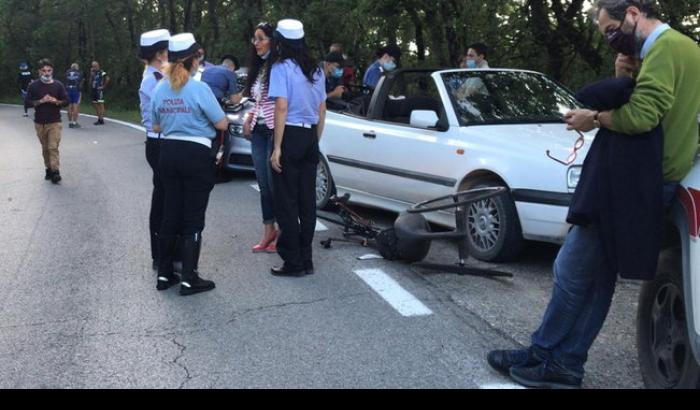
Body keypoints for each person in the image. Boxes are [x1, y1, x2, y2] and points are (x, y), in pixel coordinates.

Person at [487, 0, 700, 389]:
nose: (610, 38)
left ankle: (548, 354)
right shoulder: (681, 49)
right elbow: (650, 106)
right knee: (597, 277)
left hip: (634, 180)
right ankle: (561, 360)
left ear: (633, 14)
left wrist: (594, 118)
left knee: (570, 270)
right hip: (643, 177)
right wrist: (625, 73)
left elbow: (642, 117)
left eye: (611, 30)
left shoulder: (666, 47)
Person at [150, 33, 228, 296]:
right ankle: (189, 277)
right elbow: (221, 123)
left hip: (168, 152)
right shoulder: (199, 88)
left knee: (170, 212)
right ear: (194, 59)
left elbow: (157, 125)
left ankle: (164, 274)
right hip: (196, 154)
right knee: (193, 216)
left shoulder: (160, 88)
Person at [268, 19, 327, 277]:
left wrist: (277, 147)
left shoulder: (281, 68)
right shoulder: (316, 69)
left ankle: (292, 262)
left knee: (286, 201)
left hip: (289, 133)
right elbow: (322, 108)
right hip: (310, 136)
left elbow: (281, 106)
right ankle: (307, 258)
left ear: (280, 42)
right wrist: (315, 138)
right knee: (307, 202)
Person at [242, 22, 279, 254]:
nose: (256, 43)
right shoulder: (260, 67)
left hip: (275, 130)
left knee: (276, 185)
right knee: (264, 185)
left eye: (261, 38)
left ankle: (283, 230)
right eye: (254, 39)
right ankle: (268, 230)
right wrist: (248, 118)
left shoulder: (281, 67)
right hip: (258, 131)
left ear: (273, 41)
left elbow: (281, 103)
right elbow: (259, 101)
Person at [139, 28, 171, 271]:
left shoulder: (159, 76)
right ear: (160, 54)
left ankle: (165, 251)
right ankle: (160, 254)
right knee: (163, 199)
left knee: (164, 196)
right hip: (159, 142)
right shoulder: (154, 80)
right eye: (167, 52)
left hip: (161, 142)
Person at [26, 59, 68, 184]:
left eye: (49, 70)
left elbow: (66, 101)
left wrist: (56, 101)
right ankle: (48, 169)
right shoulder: (33, 86)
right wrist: (41, 101)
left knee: (53, 147)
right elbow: (27, 102)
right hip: (39, 122)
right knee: (45, 148)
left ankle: (55, 172)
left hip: (54, 121)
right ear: (39, 72)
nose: (46, 73)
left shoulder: (58, 85)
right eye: (43, 71)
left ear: (52, 71)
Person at [90, 61, 110, 126]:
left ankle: (101, 119)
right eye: (93, 66)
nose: (93, 67)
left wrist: (103, 86)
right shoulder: (93, 72)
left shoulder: (102, 72)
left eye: (95, 66)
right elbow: (91, 80)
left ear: (98, 65)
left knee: (101, 104)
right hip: (94, 90)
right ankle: (99, 118)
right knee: (95, 105)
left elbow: (107, 78)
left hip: (99, 91)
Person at [65, 63, 84, 128]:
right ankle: (75, 122)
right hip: (75, 89)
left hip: (68, 89)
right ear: (76, 67)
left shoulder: (67, 72)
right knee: (75, 105)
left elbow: (66, 80)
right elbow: (81, 81)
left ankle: (70, 122)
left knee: (69, 106)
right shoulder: (79, 72)